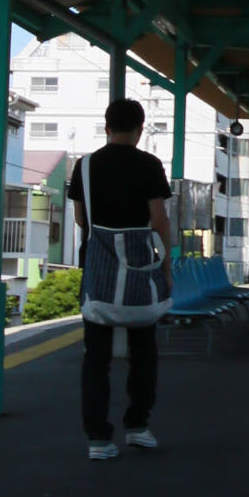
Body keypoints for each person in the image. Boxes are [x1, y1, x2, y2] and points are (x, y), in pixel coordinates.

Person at [73, 96, 172, 460]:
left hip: (99, 269)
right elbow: (159, 218)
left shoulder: (84, 166)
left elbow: (82, 219)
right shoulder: (149, 164)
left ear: (107, 127)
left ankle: (98, 439)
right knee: (143, 350)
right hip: (140, 267)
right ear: (140, 129)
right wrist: (166, 265)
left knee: (95, 358)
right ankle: (138, 426)